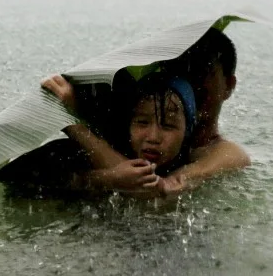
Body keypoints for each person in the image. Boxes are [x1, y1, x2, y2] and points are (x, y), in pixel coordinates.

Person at [40, 28, 251, 199]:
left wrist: (72, 122)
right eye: (182, 69)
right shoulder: (132, 128)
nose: (190, 80)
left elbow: (156, 191)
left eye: (202, 72)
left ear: (229, 86)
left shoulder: (225, 155)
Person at [0, 73, 198, 199]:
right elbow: (18, 181)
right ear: (128, 124)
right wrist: (106, 180)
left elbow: (150, 192)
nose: (153, 137)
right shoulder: (80, 154)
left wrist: (68, 121)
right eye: (142, 122)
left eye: (169, 126)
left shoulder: (194, 164)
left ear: (188, 131)